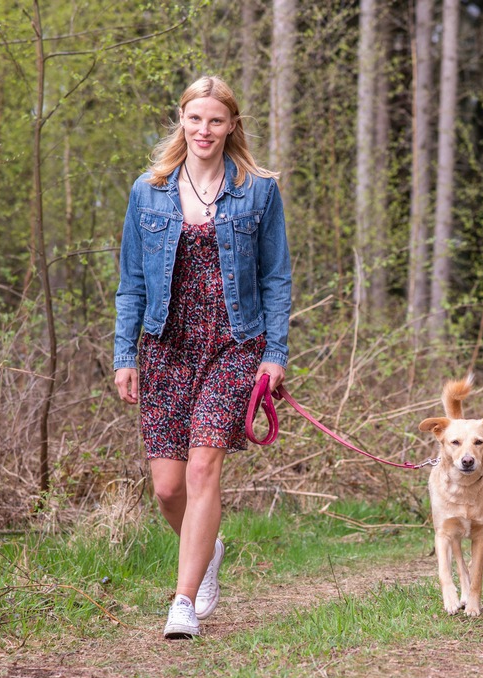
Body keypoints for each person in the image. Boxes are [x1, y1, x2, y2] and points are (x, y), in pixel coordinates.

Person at [113, 76, 292, 640]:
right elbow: (131, 283)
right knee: (167, 488)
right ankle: (207, 547)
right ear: (181, 121)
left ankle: (183, 602)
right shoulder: (149, 190)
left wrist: (275, 355)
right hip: (164, 344)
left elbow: (276, 278)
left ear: (232, 125)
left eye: (216, 120)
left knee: (203, 466)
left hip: (235, 344)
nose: (204, 130)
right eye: (195, 119)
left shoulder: (258, 190)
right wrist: (125, 354)